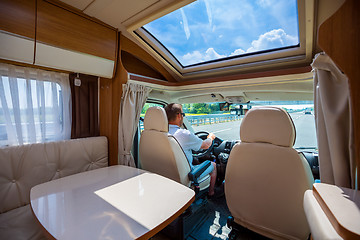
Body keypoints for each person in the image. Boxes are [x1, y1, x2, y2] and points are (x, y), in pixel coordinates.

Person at [165, 103, 217, 197]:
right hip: (185, 175)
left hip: (164, 173)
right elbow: (206, 145)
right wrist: (210, 137)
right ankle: (211, 193)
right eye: (183, 114)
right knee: (213, 165)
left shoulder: (158, 133)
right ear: (179, 116)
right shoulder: (184, 134)